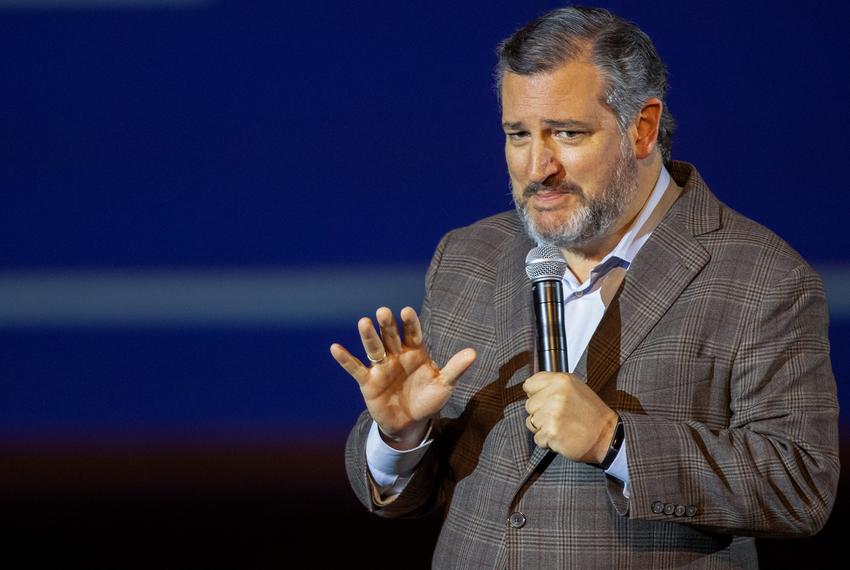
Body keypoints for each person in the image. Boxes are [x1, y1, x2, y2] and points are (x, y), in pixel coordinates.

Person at [330, 6, 839, 568]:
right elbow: (409, 495)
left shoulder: (764, 277)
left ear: (642, 127)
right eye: (518, 135)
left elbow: (801, 485)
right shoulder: (468, 256)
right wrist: (401, 435)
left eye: (567, 133)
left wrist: (613, 442)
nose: (537, 167)